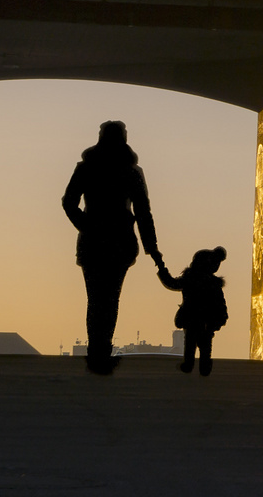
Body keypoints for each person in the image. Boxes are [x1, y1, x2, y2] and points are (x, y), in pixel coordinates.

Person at [61, 120, 167, 374]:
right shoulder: (131, 171)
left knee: (95, 298)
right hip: (121, 241)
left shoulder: (86, 168)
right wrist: (152, 249)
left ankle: (96, 352)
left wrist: (86, 225)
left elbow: (68, 202)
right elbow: (143, 212)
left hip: (92, 243)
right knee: (110, 298)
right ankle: (103, 351)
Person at [158, 247, 228, 375]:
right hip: (207, 319)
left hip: (192, 317)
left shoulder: (190, 279)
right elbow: (220, 303)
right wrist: (221, 317)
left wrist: (161, 268)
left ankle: (189, 365)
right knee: (204, 344)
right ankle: (203, 366)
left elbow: (171, 283)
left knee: (191, 342)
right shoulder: (213, 283)